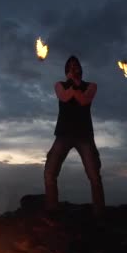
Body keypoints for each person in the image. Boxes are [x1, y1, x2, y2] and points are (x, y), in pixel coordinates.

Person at [44, 55, 105, 218]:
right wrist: (71, 83)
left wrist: (73, 85)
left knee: (94, 175)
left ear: (80, 68)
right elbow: (64, 97)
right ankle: (52, 209)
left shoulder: (91, 86)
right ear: (66, 70)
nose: (73, 67)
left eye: (75, 65)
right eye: (70, 65)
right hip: (63, 134)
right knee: (50, 171)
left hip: (84, 135)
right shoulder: (59, 85)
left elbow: (83, 100)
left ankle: (99, 212)